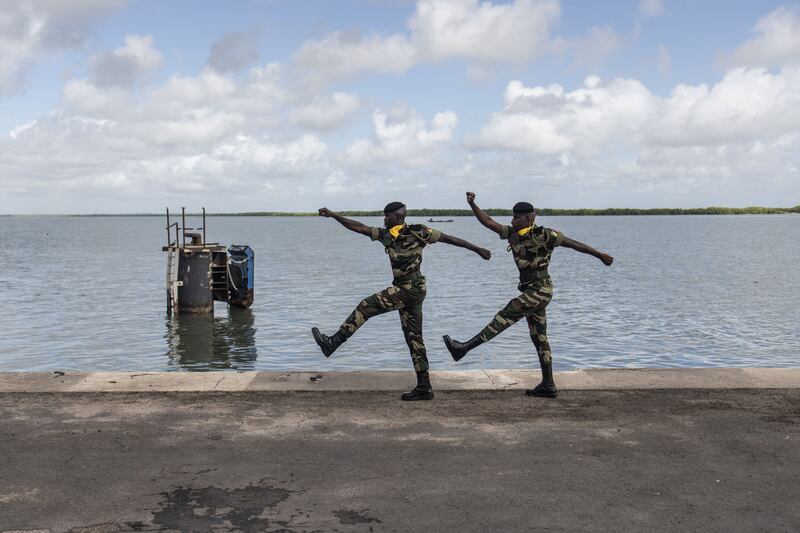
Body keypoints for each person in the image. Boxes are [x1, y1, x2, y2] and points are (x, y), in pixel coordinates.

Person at [312, 202, 492, 401]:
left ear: (397, 216)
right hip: (407, 290)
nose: (384, 219)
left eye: (387, 216)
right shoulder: (385, 235)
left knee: (366, 306)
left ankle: (333, 342)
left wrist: (478, 249)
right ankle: (424, 386)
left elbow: (450, 239)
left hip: (411, 288)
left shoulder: (419, 232)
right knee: (414, 338)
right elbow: (357, 227)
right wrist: (334, 215)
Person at [443, 192, 614, 398]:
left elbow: (575, 245)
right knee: (539, 338)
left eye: (517, 217)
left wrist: (600, 255)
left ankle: (464, 348)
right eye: (513, 217)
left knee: (506, 315)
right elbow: (488, 222)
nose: (513, 220)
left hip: (541, 289)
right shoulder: (511, 233)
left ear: (530, 218)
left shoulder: (547, 235)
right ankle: (548, 385)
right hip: (529, 290)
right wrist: (473, 204)